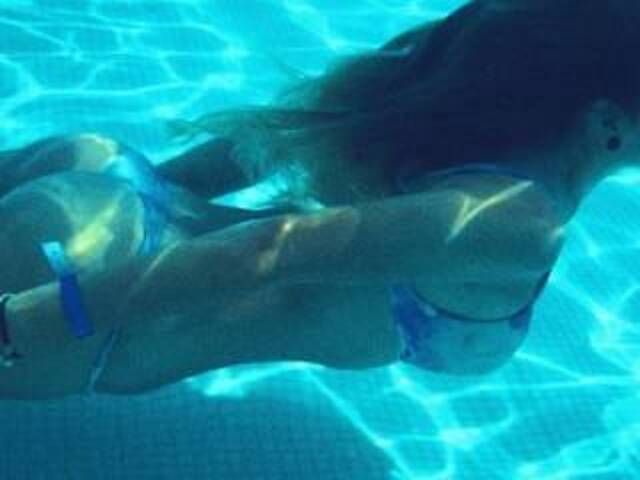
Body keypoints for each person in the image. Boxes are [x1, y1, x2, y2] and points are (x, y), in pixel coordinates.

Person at [2, 0, 640, 400]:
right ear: (607, 124)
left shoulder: (457, 104)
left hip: (102, 190)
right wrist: (25, 324)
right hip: (99, 313)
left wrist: (131, 191)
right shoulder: (517, 223)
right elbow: (267, 252)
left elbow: (280, 138)